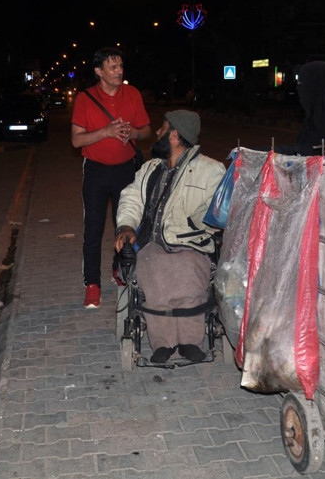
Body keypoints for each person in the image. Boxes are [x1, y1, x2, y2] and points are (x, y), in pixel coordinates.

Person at [114, 110, 225, 363]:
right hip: (154, 244)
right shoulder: (150, 168)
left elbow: (217, 215)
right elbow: (131, 198)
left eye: (162, 128)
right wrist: (126, 226)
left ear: (174, 135)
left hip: (191, 244)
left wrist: (201, 218)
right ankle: (164, 342)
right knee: (151, 266)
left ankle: (190, 341)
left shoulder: (211, 170)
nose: (157, 132)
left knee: (186, 271)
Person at [71, 47, 152, 309]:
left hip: (126, 170)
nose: (119, 71)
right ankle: (92, 283)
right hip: (95, 170)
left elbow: (147, 130)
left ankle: (121, 272)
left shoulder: (133, 94)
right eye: (113, 67)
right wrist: (105, 131)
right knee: (93, 229)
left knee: (126, 224)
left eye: (120, 66)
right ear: (99, 72)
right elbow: (76, 140)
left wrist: (133, 134)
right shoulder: (85, 99)